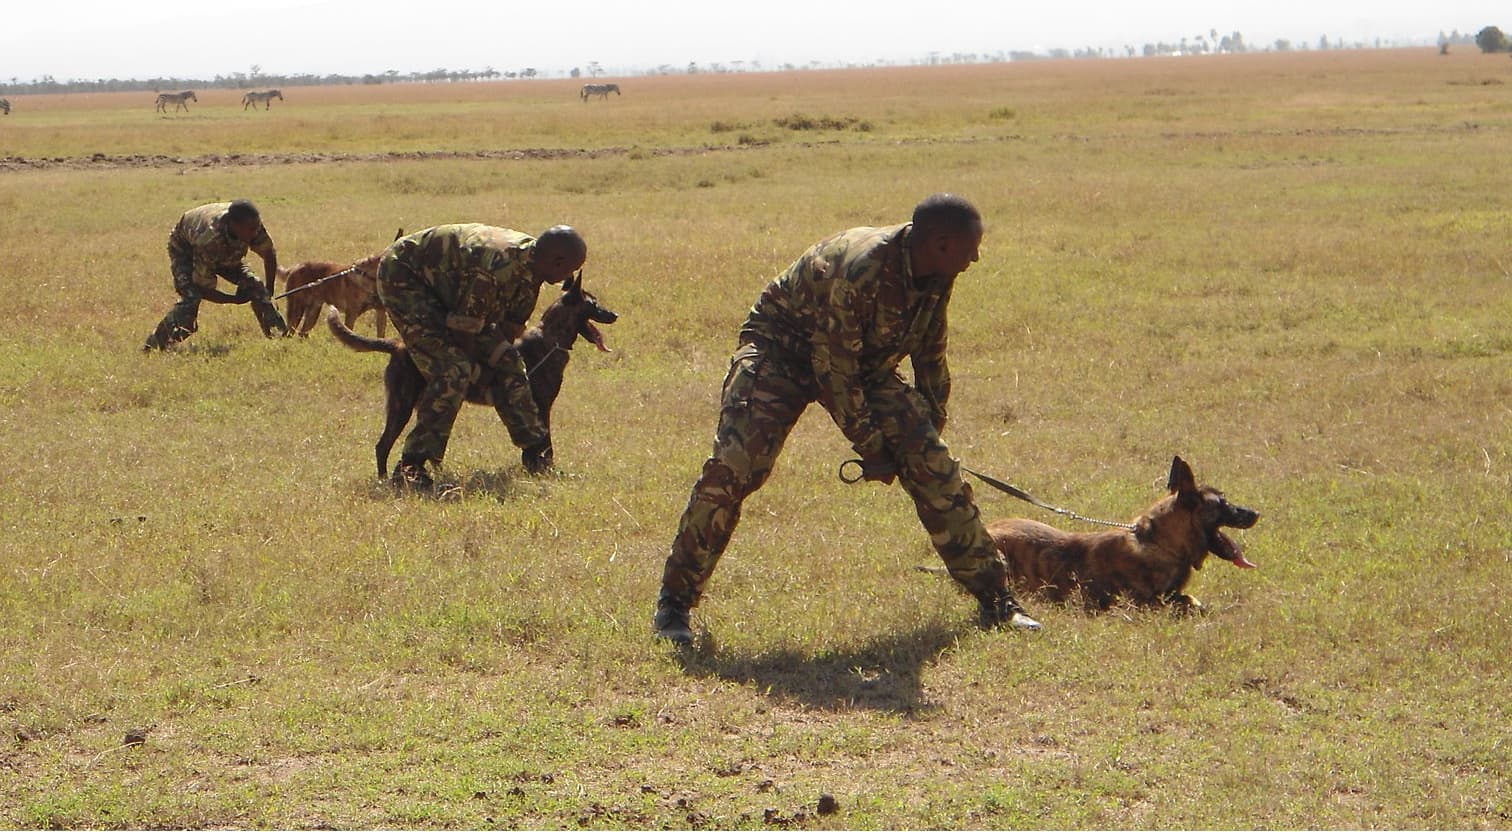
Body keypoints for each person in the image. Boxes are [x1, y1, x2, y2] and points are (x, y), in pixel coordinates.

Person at [654, 194, 1041, 645]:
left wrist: (925, 434)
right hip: (782, 351)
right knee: (734, 468)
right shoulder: (863, 269)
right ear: (939, 242)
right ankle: (674, 604)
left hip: (864, 363)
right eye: (970, 247)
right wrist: (874, 448)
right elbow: (833, 371)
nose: (975, 257)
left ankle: (996, 599)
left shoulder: (937, 271)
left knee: (935, 468)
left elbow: (931, 358)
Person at [376, 223, 588, 490]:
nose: (569, 277)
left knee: (510, 363)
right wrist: (478, 371)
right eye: (569, 269)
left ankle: (537, 455)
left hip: (450, 287)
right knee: (454, 369)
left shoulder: (535, 269)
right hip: (406, 277)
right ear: (557, 262)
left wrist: (499, 364)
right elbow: (464, 329)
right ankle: (412, 465)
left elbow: (509, 328)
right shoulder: (496, 267)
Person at [143, 200, 289, 350]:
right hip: (186, 249)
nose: (254, 233)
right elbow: (203, 288)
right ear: (234, 225)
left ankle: (280, 337)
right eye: (250, 230)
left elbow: (268, 253)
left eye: (256, 228)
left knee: (256, 287)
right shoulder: (209, 240)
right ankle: (154, 345)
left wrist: (268, 291)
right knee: (191, 298)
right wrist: (234, 300)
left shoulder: (252, 224)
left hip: (225, 252)